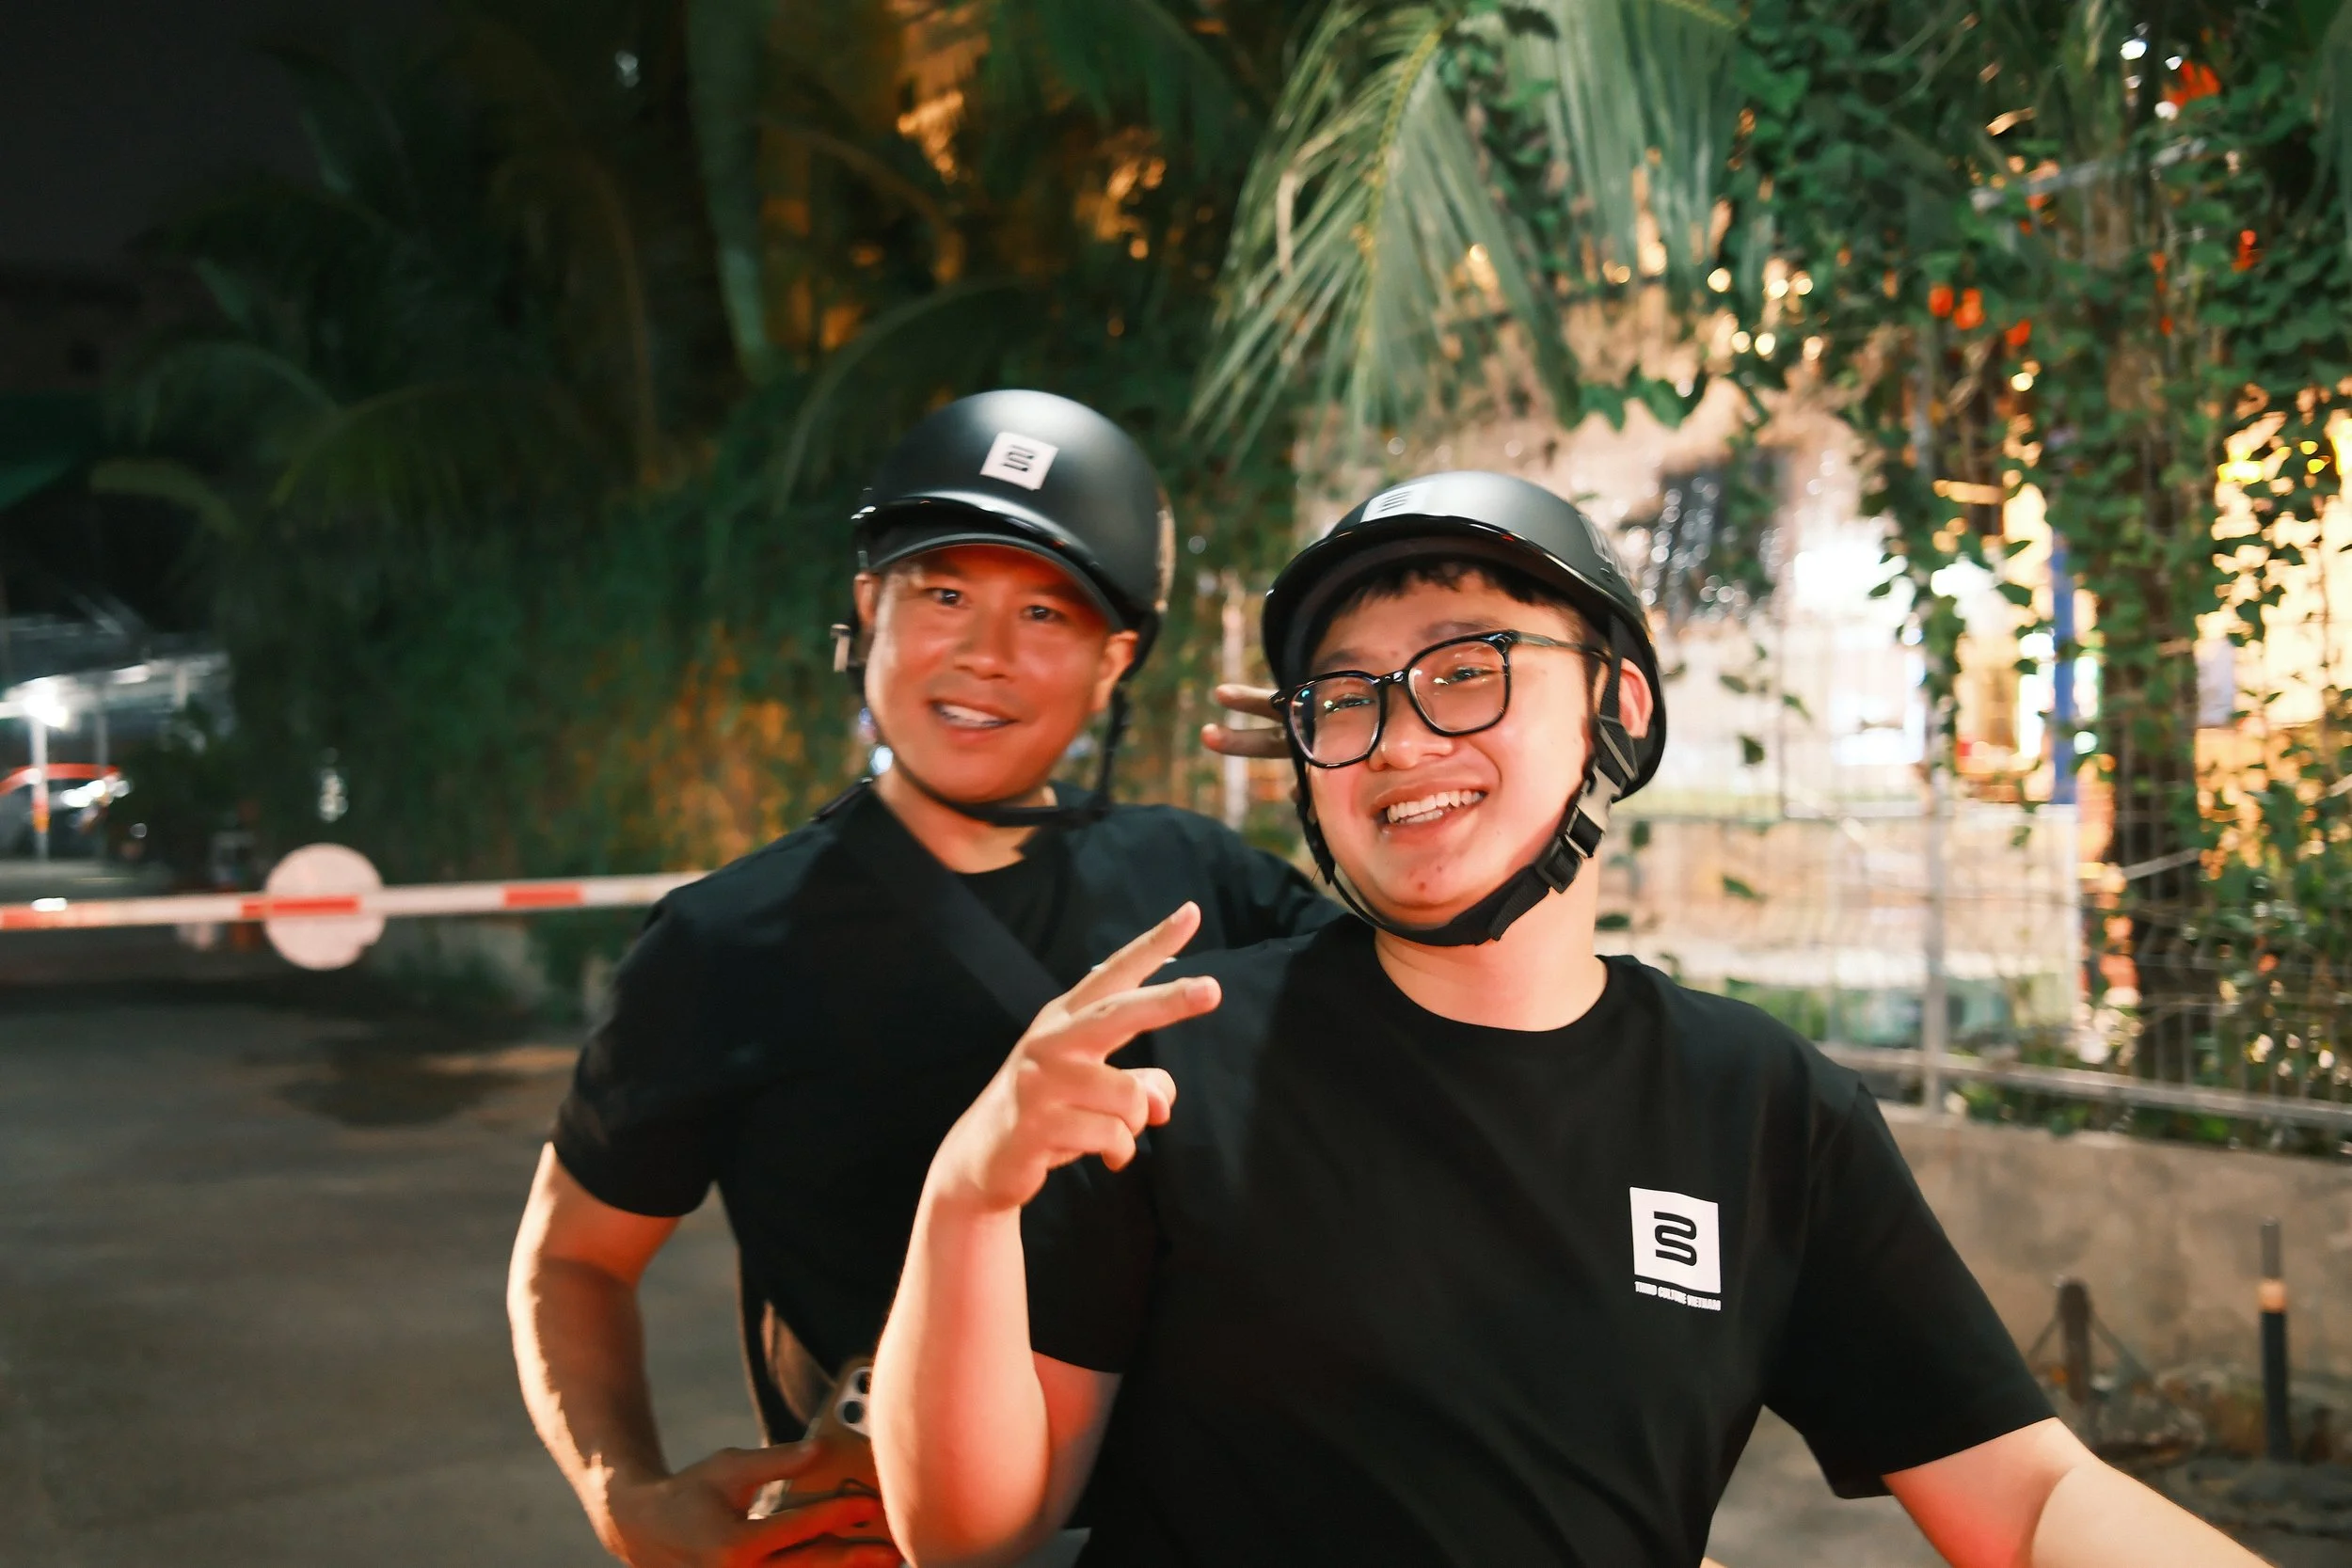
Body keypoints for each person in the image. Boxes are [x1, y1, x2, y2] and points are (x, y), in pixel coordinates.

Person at [872, 469, 2265, 1568]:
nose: (1403, 737)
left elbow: (2021, 1502)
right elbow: (969, 1532)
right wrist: (967, 1191)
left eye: (1467, 665)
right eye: (1345, 694)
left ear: (1621, 704)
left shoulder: (1758, 1106)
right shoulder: (1172, 1059)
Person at [507, 389, 1336, 1568]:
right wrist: (621, 1488)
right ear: (868, 610)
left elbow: (1438, 1041)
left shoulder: (1202, 881)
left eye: (1045, 612)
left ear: (1115, 664)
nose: (982, 656)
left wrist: (1363, 767)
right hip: (886, 1532)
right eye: (942, 592)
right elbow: (574, 1255)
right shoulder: (725, 943)